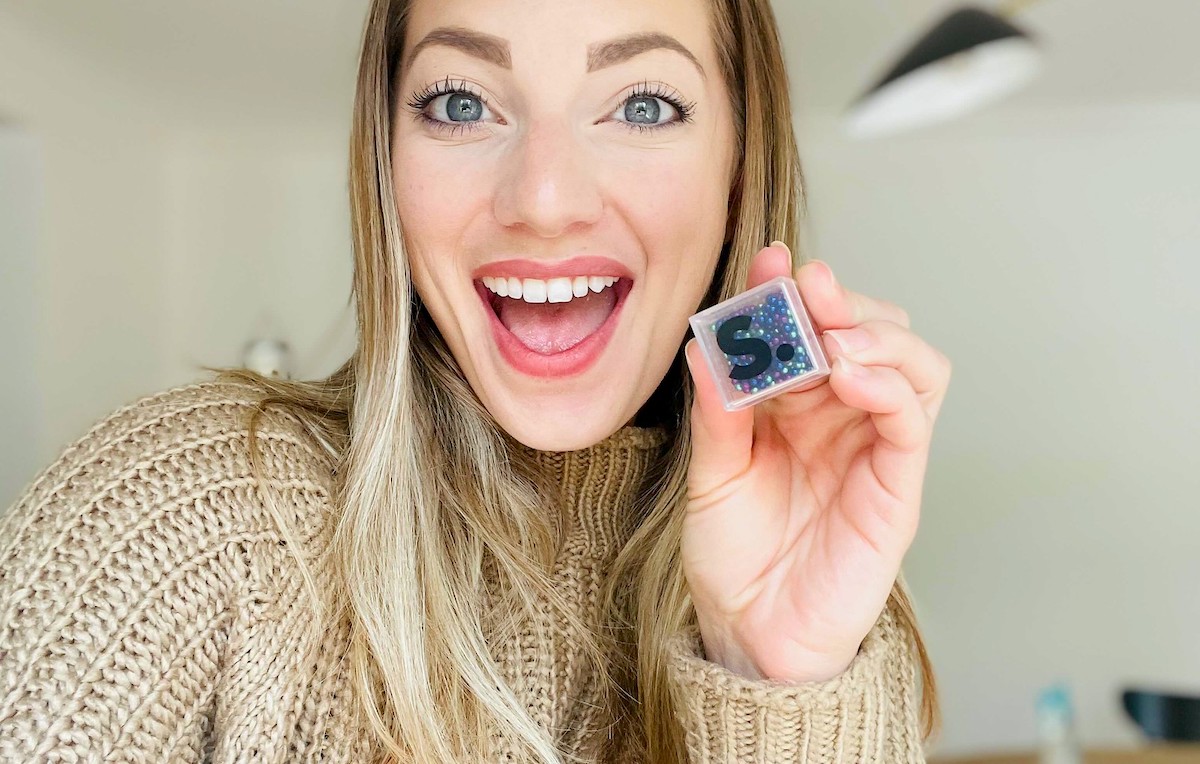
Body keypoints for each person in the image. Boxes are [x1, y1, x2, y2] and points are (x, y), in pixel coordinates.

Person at [0, 0, 953, 760]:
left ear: (738, 170)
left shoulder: (845, 640)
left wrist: (774, 684)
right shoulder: (179, 511)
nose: (543, 200)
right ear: (386, 158)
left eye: (643, 105)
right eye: (462, 102)